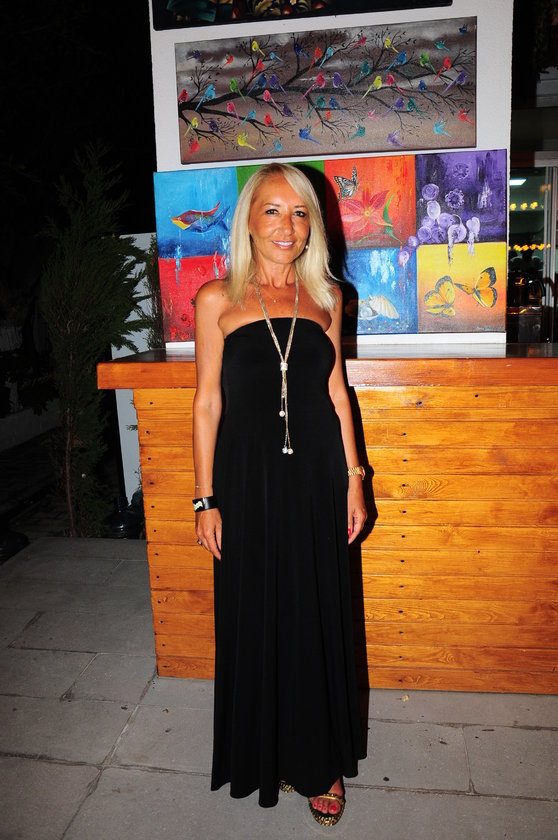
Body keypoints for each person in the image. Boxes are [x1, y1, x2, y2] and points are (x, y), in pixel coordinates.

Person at [192, 162, 367, 827]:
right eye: (272, 210)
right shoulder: (217, 299)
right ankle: (269, 752)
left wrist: (355, 480)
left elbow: (337, 393)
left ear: (312, 225)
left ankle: (319, 762)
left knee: (314, 614)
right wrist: (205, 498)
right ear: (249, 220)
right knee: (260, 613)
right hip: (247, 482)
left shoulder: (328, 297)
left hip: (318, 477)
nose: (286, 226)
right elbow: (207, 404)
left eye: (299, 213)